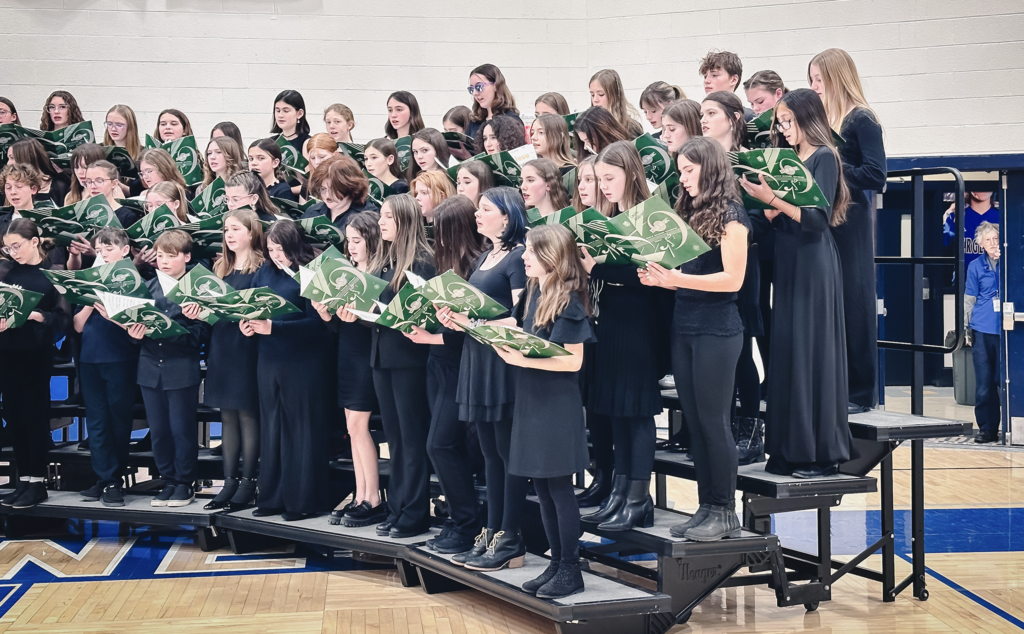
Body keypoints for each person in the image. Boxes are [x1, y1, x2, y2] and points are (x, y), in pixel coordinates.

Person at [640, 136, 750, 541]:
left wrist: (677, 278)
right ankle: (707, 505)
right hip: (685, 325)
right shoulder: (687, 211)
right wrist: (660, 279)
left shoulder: (731, 213)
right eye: (681, 170)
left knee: (715, 422)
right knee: (697, 423)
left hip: (718, 329)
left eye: (689, 170)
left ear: (710, 167)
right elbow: (686, 279)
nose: (682, 178)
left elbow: (732, 278)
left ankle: (726, 511)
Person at [738, 88, 852, 478]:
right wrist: (762, 200)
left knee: (811, 354)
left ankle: (822, 454)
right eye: (779, 122)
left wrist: (774, 199)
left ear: (807, 119)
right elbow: (782, 216)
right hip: (789, 260)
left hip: (813, 264)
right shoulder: (789, 159)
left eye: (788, 121)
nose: (783, 128)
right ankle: (789, 449)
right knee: (787, 353)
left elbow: (817, 219)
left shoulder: (825, 156)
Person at [499, 224, 594, 598]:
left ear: (550, 257)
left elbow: (572, 363)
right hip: (532, 399)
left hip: (556, 405)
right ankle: (556, 564)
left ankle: (571, 566)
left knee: (559, 488)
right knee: (541, 486)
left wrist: (521, 357)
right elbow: (519, 331)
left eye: (530, 252)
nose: (523, 257)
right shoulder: (537, 292)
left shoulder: (569, 300)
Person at [436, 187, 528, 571]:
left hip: (501, 361)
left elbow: (522, 317)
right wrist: (455, 318)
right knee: (490, 453)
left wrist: (477, 322)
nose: (477, 215)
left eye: (485, 209)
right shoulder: (487, 256)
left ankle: (511, 535)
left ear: (507, 217)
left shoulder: (520, 257)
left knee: (506, 454)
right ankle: (491, 530)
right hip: (478, 356)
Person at [578, 142, 664, 531]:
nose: (603, 186)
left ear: (631, 174)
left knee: (636, 411)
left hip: (639, 324)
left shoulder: (649, 217)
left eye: (609, 178)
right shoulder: (606, 218)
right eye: (598, 179)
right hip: (608, 322)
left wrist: (598, 266)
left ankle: (637, 497)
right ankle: (620, 490)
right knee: (615, 412)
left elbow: (652, 279)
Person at [345, 193, 435, 538]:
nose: (380, 223)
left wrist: (379, 314)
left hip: (411, 359)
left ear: (404, 221)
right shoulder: (386, 260)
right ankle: (398, 508)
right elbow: (377, 316)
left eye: (386, 218)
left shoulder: (423, 261)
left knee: (412, 439)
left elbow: (420, 314)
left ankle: (413, 514)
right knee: (395, 440)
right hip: (382, 356)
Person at [405, 195, 485, 553]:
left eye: (441, 230)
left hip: (459, 364)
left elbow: (472, 327)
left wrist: (433, 335)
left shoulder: (474, 266)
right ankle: (457, 518)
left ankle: (466, 523)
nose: (435, 237)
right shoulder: (444, 263)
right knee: (443, 445)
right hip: (437, 364)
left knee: (440, 444)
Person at [810, 48, 887, 413]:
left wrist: (836, 168)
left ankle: (861, 391)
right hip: (828, 215)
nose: (815, 87)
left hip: (852, 218)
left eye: (819, 80)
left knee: (855, 302)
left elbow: (876, 174)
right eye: (811, 80)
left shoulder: (861, 119)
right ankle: (836, 386)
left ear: (836, 77)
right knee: (832, 303)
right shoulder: (827, 121)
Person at [244, 220, 331, 520]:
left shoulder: (310, 272)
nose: (275, 254)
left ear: (294, 247)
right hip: (268, 359)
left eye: (280, 249)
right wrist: (248, 324)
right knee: (272, 428)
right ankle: (272, 497)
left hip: (303, 363)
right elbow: (251, 306)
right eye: (270, 249)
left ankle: (302, 501)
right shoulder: (265, 271)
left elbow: (319, 326)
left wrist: (274, 328)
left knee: (301, 431)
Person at [185, 209, 265, 510]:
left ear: (251, 232)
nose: (229, 235)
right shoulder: (220, 268)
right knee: (227, 416)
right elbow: (212, 314)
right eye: (226, 230)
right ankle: (229, 482)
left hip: (247, 346)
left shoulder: (261, 268)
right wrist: (197, 312)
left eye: (235, 229)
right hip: (222, 346)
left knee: (247, 415)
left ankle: (249, 483)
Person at [315, 212, 385, 527]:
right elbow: (339, 328)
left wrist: (361, 315)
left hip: (367, 356)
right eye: (349, 240)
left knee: (359, 427)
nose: (351, 246)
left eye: (357, 240)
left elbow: (385, 323)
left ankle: (373, 497)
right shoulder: (348, 271)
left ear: (371, 239)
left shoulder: (381, 274)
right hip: (347, 353)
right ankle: (360, 495)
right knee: (351, 428)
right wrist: (326, 314)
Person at [134, 230, 211, 508]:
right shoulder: (147, 287)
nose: (164, 262)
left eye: (171, 256)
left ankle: (184, 482)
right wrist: (136, 331)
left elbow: (201, 334)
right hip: (149, 368)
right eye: (161, 256)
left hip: (181, 367)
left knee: (181, 429)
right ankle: (167, 480)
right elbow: (135, 328)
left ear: (187, 257)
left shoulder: (196, 289)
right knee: (159, 431)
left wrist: (170, 330)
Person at [0, 218, 71, 508]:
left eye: (17, 246)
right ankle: (23, 478)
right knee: (14, 416)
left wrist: (40, 316)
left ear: (34, 242)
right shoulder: (5, 270)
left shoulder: (54, 274)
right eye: (7, 248)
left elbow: (63, 320)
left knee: (34, 415)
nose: (12, 252)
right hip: (7, 349)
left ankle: (38, 481)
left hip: (35, 352)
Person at [74, 228, 140, 507]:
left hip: (120, 358)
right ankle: (104, 479)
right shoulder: (88, 279)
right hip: (89, 359)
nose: (103, 254)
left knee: (118, 421)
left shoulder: (134, 281)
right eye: (100, 249)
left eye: (109, 249)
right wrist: (91, 300)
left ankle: (115, 480)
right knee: (97, 423)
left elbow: (137, 328)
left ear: (125, 250)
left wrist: (111, 311)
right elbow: (77, 325)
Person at [965, 222, 1002, 444]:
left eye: (995, 239)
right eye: (988, 240)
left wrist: (1004, 259)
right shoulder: (975, 266)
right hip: (981, 328)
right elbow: (969, 299)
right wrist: (966, 329)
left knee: (1004, 380)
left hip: (1007, 330)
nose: (992, 243)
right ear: (980, 244)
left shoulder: (1011, 262)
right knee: (984, 384)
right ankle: (987, 429)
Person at [0, 164, 68, 269]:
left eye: (19, 186)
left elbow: (57, 264)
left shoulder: (47, 222)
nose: (13, 192)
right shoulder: (1, 222)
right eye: (8, 187)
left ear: (33, 189)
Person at [300, 154, 378, 233]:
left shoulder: (369, 215)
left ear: (350, 187)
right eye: (323, 189)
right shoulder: (312, 212)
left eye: (333, 190)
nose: (327, 195)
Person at [945, 192, 1000, 272]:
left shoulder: (1004, 217)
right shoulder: (955, 217)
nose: (982, 190)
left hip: (996, 279)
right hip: (963, 279)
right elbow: (941, 245)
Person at [466, 64, 523, 140]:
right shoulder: (474, 122)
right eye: (471, 89)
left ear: (496, 86)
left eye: (479, 87)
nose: (475, 93)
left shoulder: (511, 119)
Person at [8, 139, 70, 207]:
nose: (8, 163)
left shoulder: (59, 185)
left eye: (12, 158)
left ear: (26, 159)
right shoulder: (9, 186)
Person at [589, 69, 644, 138]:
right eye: (592, 95)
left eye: (601, 94)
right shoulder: (588, 127)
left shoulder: (632, 128)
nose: (595, 100)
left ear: (615, 96)